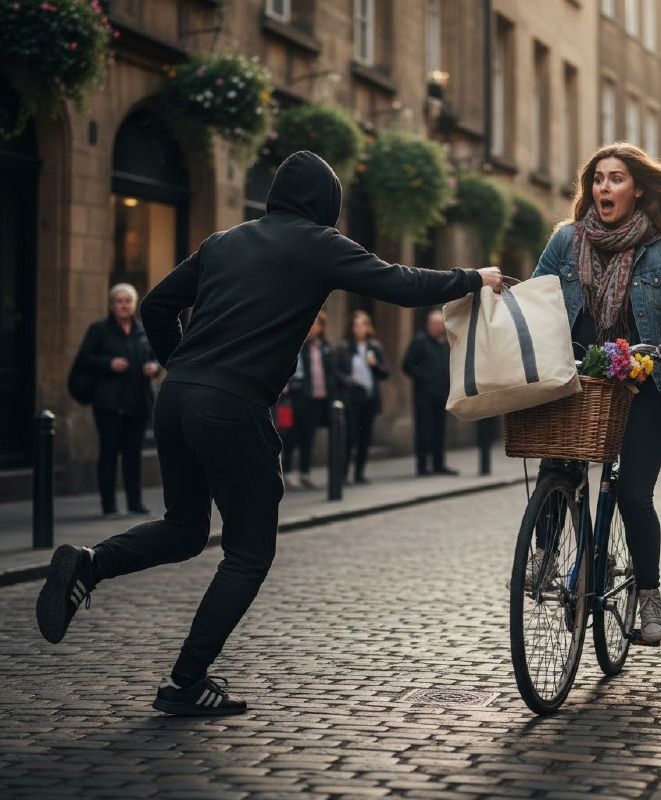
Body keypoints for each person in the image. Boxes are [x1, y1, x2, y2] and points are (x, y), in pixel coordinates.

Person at [35, 150, 503, 716]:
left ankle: (89, 564)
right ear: (324, 205)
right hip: (232, 406)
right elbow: (400, 283)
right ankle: (186, 683)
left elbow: (157, 307)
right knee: (249, 551)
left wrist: (183, 367)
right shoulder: (319, 244)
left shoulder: (223, 241)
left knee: (185, 529)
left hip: (177, 398)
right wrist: (472, 278)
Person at [531, 142, 661, 643]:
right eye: (597, 179)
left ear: (636, 189)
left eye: (615, 179)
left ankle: (649, 597)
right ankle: (545, 555)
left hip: (643, 386)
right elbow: (535, 301)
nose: (603, 188)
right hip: (578, 380)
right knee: (557, 468)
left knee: (634, 495)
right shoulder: (565, 242)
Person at [73, 283, 160, 517]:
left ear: (133, 305)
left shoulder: (143, 330)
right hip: (108, 403)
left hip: (138, 402)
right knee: (109, 453)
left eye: (128, 301)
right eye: (119, 301)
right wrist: (108, 363)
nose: (124, 305)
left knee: (133, 455)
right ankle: (109, 505)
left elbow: (156, 358)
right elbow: (83, 359)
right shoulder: (99, 330)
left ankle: (135, 503)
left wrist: (155, 367)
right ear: (111, 305)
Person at [283, 311, 336, 489]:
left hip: (317, 398)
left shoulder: (324, 347)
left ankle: (305, 473)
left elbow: (329, 372)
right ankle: (287, 473)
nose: (314, 327)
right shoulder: (298, 345)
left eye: (318, 324)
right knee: (289, 436)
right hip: (296, 398)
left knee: (309, 437)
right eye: (312, 323)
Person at [334, 310, 388, 485]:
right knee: (350, 437)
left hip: (369, 398)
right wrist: (348, 379)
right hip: (351, 398)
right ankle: (342, 475)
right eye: (356, 325)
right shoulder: (344, 348)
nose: (359, 329)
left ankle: (359, 474)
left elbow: (385, 372)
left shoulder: (374, 347)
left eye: (363, 325)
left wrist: (375, 365)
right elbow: (336, 372)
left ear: (368, 327)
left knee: (365, 438)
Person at [402, 309, 458, 476]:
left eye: (439, 324)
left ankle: (439, 464)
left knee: (439, 431)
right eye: (434, 324)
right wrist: (425, 377)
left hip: (441, 395)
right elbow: (407, 365)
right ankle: (422, 466)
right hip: (424, 395)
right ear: (428, 325)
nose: (437, 327)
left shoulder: (444, 343)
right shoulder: (420, 341)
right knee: (424, 431)